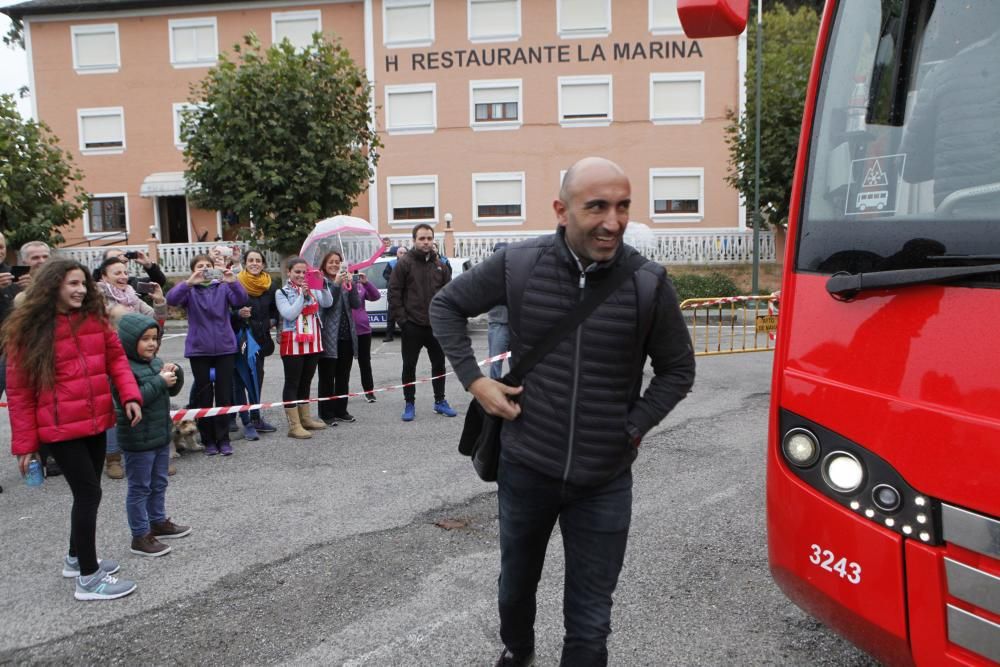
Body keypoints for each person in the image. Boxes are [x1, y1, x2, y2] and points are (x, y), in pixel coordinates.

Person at [430, 157, 696, 666]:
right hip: (528, 464)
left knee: (592, 620)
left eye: (622, 207)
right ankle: (518, 651)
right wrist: (476, 380)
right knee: (515, 587)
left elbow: (677, 371)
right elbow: (446, 306)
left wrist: (632, 428)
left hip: (605, 477)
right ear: (561, 210)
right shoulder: (519, 264)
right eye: (596, 207)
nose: (613, 221)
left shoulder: (648, 283)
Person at [5, 258, 144, 601]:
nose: (81, 290)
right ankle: (88, 579)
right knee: (88, 495)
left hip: (97, 420)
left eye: (83, 283)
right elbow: (20, 392)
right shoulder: (29, 331)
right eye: (72, 284)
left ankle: (74, 558)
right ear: (53, 286)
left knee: (89, 491)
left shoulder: (95, 320)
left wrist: (129, 394)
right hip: (59, 430)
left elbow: (116, 361)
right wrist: (25, 445)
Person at [113, 313, 191, 557]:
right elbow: (134, 399)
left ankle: (158, 522)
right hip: (138, 440)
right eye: (145, 339)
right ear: (128, 341)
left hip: (159, 436)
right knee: (139, 488)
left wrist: (174, 371)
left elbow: (172, 389)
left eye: (155, 338)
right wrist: (159, 381)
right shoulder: (122, 369)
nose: (152, 343)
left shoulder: (154, 363)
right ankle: (140, 535)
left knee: (159, 482)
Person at [166, 255, 248, 457]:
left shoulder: (223, 286)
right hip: (199, 349)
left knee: (223, 395)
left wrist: (233, 281)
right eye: (199, 267)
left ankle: (224, 439)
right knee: (203, 396)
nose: (204, 269)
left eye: (208, 266)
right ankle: (208, 439)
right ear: (193, 270)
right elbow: (171, 300)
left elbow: (241, 300)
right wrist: (188, 283)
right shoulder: (189, 290)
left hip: (225, 348)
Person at [95, 256, 168, 479]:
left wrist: (158, 302)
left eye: (125, 272)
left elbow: (155, 321)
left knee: (143, 401)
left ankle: (146, 453)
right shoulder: (96, 297)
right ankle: (113, 458)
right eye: (116, 272)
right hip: (107, 358)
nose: (123, 276)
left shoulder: (132, 297)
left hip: (135, 358)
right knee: (113, 407)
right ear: (103, 276)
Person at [388, 225, 457, 422]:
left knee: (439, 365)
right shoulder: (404, 263)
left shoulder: (440, 264)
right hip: (412, 325)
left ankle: (440, 402)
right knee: (409, 366)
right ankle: (409, 403)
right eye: (422, 238)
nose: (426, 242)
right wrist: (403, 321)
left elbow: (448, 294)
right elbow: (394, 293)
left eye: (429, 238)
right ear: (414, 240)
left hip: (435, 326)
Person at [275, 257, 332, 438]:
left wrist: (323, 285)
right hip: (292, 341)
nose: (301, 275)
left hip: (312, 340)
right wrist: (302, 296)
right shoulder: (282, 293)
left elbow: (328, 302)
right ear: (289, 273)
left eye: (304, 272)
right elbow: (289, 314)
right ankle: (294, 425)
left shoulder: (313, 288)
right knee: (293, 382)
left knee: (306, 382)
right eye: (297, 272)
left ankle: (305, 418)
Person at [232, 249, 280, 438]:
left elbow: (276, 311)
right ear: (245, 263)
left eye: (258, 260)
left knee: (256, 379)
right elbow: (228, 309)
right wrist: (238, 314)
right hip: (240, 339)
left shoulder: (270, 285)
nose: (254, 263)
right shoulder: (236, 283)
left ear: (263, 264)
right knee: (239, 381)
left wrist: (272, 322)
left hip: (260, 340)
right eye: (250, 260)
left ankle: (256, 417)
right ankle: (240, 420)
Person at [317, 250, 362, 425]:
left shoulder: (345, 281)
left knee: (343, 376)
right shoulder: (321, 283)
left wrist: (351, 287)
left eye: (338, 262)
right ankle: (326, 413)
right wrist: (335, 285)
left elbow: (356, 304)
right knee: (327, 377)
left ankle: (341, 410)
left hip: (347, 336)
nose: (335, 265)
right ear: (324, 265)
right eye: (331, 262)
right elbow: (326, 305)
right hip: (329, 336)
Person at [351, 268, 381, 403]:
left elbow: (376, 296)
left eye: (355, 272)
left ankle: (369, 392)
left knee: (365, 362)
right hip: (345, 331)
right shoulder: (339, 285)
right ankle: (339, 394)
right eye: (350, 271)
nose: (353, 275)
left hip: (363, 330)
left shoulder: (360, 286)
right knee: (342, 365)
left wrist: (366, 283)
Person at [486, 242, 510, 380]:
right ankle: (495, 389)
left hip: (516, 325)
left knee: (518, 362)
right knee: (496, 361)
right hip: (498, 324)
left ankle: (518, 391)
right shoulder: (489, 275)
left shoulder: (516, 272)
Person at [101, 248, 167, 288]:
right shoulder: (98, 289)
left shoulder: (133, 284)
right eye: (114, 260)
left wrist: (149, 265)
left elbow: (158, 283)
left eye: (123, 261)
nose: (119, 264)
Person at [381, 246, 407, 342]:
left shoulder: (410, 263)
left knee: (406, 315)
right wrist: (394, 279)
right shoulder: (391, 263)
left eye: (404, 253)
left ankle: (407, 334)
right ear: (397, 254)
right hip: (394, 292)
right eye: (401, 252)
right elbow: (385, 275)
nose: (403, 255)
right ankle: (389, 336)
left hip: (406, 293)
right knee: (391, 315)